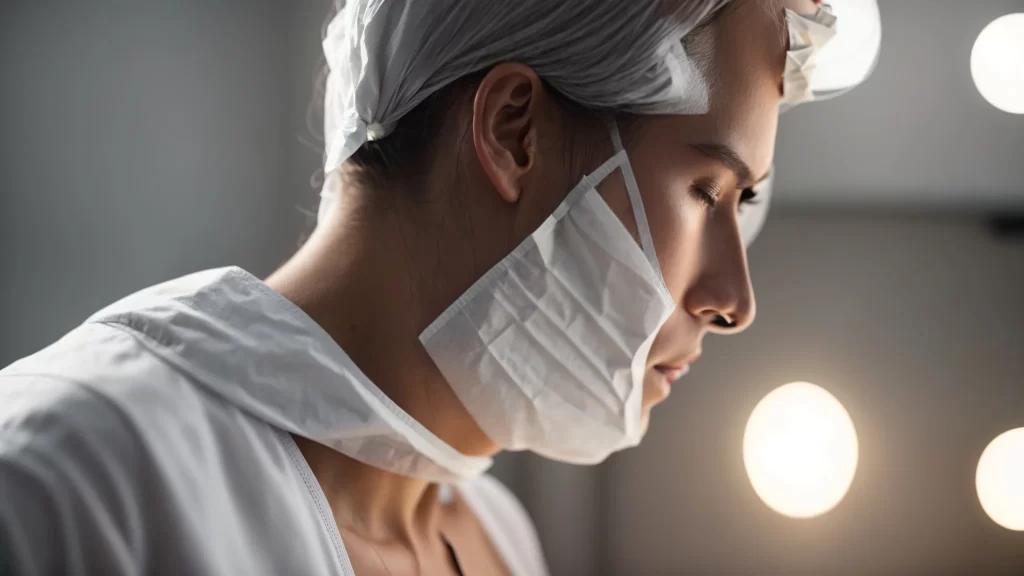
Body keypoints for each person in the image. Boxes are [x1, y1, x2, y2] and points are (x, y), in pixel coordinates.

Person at [0, 0, 870, 574]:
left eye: (743, 202)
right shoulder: (68, 479)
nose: (735, 300)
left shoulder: (501, 539)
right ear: (512, 130)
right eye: (708, 191)